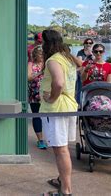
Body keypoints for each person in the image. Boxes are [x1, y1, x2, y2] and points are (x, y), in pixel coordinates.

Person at [39, 30, 78, 196]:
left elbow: (59, 83)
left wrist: (51, 98)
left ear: (47, 44)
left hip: (57, 108)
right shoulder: (68, 58)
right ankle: (62, 180)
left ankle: (65, 191)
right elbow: (81, 65)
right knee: (64, 149)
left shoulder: (53, 60)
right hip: (69, 106)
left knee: (60, 150)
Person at [27, 45, 46, 149]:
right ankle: (40, 140)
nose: (41, 56)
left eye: (42, 54)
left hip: (46, 94)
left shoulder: (47, 64)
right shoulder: (31, 64)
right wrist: (39, 73)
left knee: (48, 116)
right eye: (39, 54)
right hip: (34, 94)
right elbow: (28, 77)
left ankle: (52, 138)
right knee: (37, 116)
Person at [75, 38, 94, 103]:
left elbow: (96, 61)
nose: (88, 44)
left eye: (90, 43)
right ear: (84, 44)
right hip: (81, 72)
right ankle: (79, 104)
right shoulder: (80, 52)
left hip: (92, 74)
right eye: (87, 43)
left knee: (91, 89)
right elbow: (79, 62)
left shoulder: (95, 52)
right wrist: (87, 59)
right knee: (80, 89)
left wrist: (91, 54)